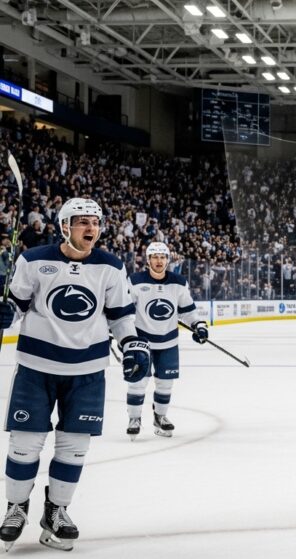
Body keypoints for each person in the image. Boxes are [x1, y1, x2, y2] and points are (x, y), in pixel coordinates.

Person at [0, 198, 150, 551]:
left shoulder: (111, 266)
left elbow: (120, 317)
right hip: (36, 367)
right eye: (82, 222)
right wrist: (6, 311)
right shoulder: (33, 260)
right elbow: (16, 304)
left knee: (74, 448)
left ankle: (57, 511)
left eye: (95, 223)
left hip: (88, 371)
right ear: (65, 226)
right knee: (24, 445)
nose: (90, 229)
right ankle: (15, 508)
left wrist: (132, 344)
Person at [126, 242, 209, 440]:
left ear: (167, 259)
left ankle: (160, 417)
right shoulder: (135, 281)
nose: (158, 261)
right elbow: (126, 311)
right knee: (138, 382)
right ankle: (134, 419)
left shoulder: (178, 282)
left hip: (168, 341)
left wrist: (199, 325)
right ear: (148, 260)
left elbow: (188, 310)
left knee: (165, 383)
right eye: (154, 257)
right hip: (142, 342)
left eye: (162, 257)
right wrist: (123, 334)